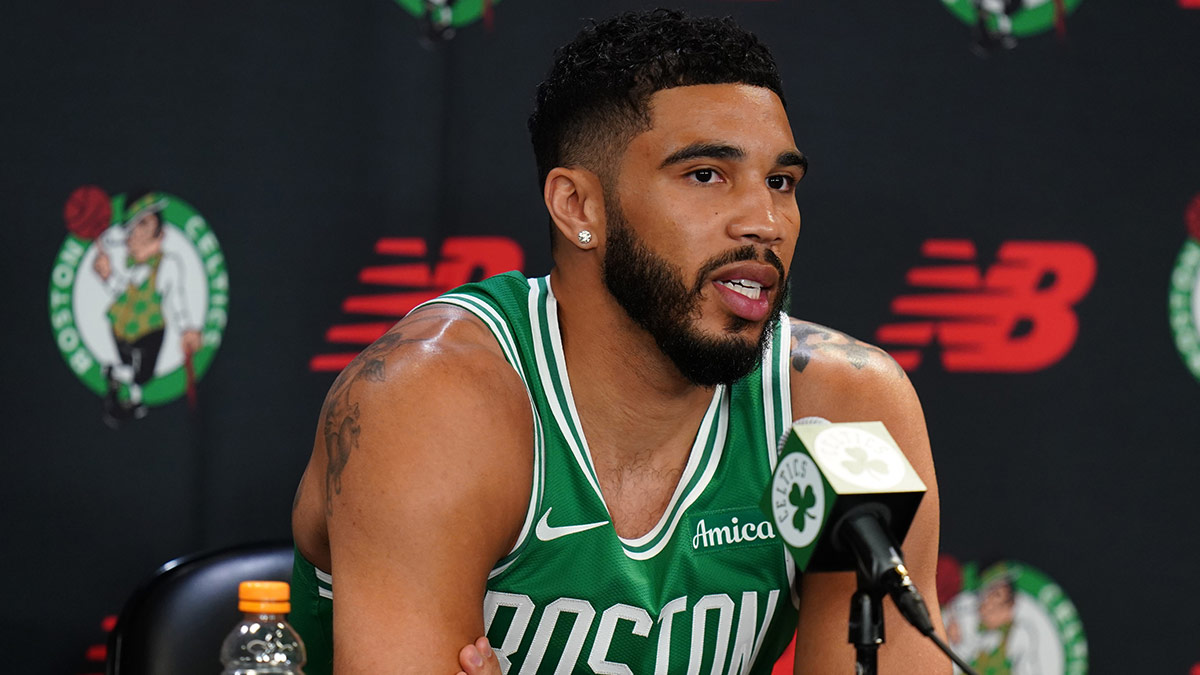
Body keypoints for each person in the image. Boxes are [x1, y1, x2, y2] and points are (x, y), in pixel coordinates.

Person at [291, 9, 947, 673]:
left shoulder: (843, 411)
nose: (765, 221)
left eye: (781, 182)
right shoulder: (430, 400)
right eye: (706, 175)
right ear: (580, 207)